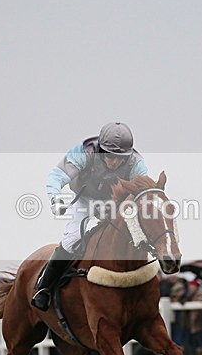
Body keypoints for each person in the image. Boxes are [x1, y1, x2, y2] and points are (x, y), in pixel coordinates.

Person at [32, 121, 149, 311]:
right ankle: (44, 288)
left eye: (119, 157)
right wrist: (55, 198)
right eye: (109, 156)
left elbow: (143, 193)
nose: (113, 162)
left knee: (132, 237)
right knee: (73, 239)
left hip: (114, 203)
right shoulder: (85, 151)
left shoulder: (137, 163)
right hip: (84, 198)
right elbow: (57, 175)